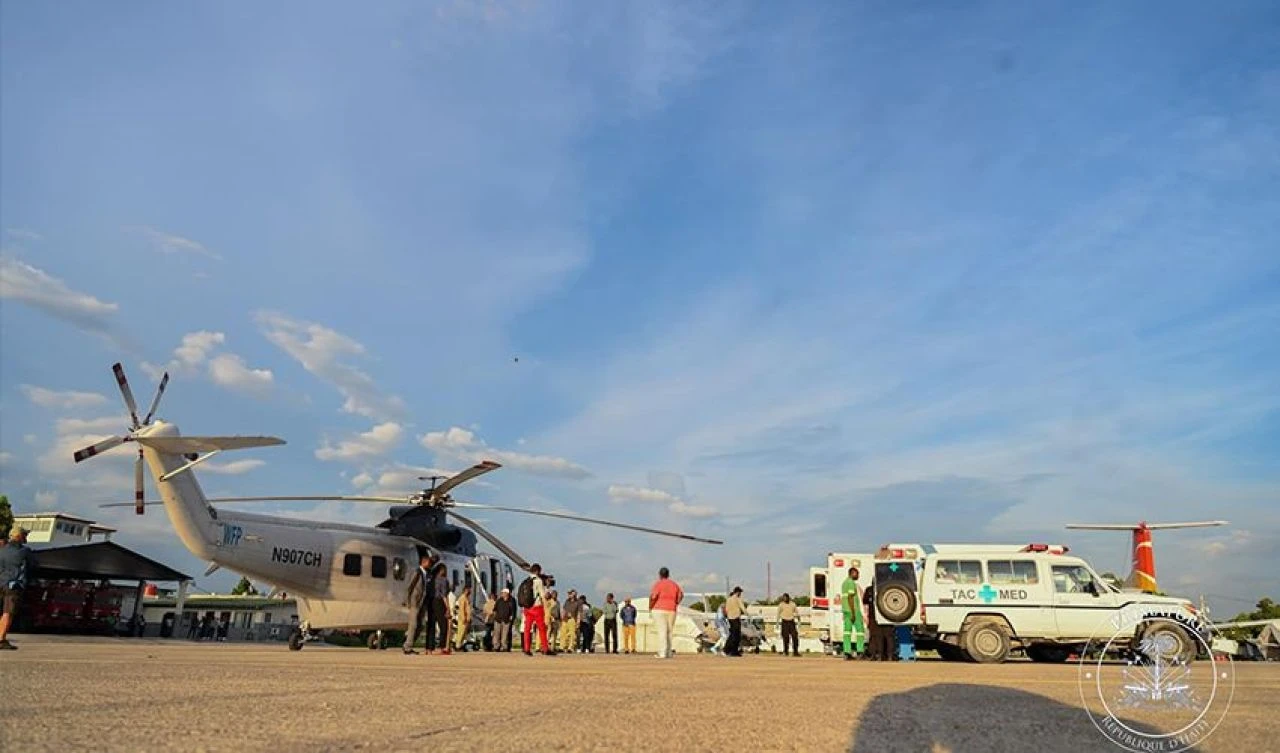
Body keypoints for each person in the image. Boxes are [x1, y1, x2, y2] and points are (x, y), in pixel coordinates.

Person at [0, 528, 34, 650]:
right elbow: (33, 566)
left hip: (1, 583)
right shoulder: (25, 551)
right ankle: (1, 639)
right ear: (19, 536)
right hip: (13, 585)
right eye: (25, 535)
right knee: (7, 612)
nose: (26, 537)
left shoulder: (2, 550)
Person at [648, 566, 683, 659]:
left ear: (660, 575)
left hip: (659, 609)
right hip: (671, 609)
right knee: (669, 631)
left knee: (662, 631)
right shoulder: (674, 584)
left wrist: (650, 607)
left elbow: (653, 597)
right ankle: (668, 652)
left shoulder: (658, 584)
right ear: (668, 574)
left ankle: (662, 652)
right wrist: (676, 602)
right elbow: (681, 595)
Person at [402, 554, 433, 654]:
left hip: (422, 602)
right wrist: (407, 601)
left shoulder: (426, 573)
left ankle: (408, 644)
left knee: (420, 625)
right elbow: (410, 586)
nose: (430, 564)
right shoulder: (417, 572)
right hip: (415, 601)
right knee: (413, 624)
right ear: (424, 562)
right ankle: (407, 646)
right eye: (429, 562)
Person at [519, 563, 551, 655]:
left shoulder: (526, 581)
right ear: (538, 571)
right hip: (537, 607)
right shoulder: (538, 581)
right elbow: (543, 595)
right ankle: (545, 648)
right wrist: (547, 587)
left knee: (527, 628)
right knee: (541, 628)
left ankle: (526, 648)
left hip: (527, 608)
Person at [863, 583, 897, 661]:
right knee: (889, 636)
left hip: (874, 616)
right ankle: (890, 655)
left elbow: (865, 602)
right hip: (887, 614)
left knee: (877, 636)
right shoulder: (889, 587)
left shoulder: (869, 590)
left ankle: (878, 655)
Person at [842, 566, 865, 660]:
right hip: (853, 610)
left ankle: (847, 652)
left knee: (847, 632)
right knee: (860, 632)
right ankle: (860, 651)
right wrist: (853, 612)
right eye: (857, 573)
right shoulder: (851, 583)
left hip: (845, 610)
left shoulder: (844, 583)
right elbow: (850, 598)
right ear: (852, 573)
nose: (858, 576)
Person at [430, 563, 452, 655]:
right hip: (439, 602)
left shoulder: (431, 579)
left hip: (431, 602)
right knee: (443, 625)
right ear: (442, 570)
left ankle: (430, 648)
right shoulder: (443, 580)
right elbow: (444, 595)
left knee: (431, 625)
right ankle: (442, 647)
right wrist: (447, 607)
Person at [724, 586, 747, 657]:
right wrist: (747, 614)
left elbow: (726, 609)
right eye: (740, 592)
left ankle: (729, 650)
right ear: (738, 592)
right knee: (736, 636)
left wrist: (728, 616)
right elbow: (742, 607)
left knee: (732, 635)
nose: (740, 594)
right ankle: (733, 651)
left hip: (730, 619)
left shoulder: (728, 599)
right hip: (736, 618)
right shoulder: (738, 599)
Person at [493, 587, 516, 652]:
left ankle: (504, 647)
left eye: (504, 593)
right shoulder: (499, 600)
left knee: (505, 634)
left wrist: (512, 617)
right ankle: (496, 646)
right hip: (498, 620)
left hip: (506, 620)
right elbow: (495, 609)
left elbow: (513, 610)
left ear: (507, 593)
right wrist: (495, 617)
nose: (502, 594)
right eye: (502, 593)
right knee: (496, 634)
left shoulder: (512, 600)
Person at [778, 592, 800, 657]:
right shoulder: (781, 605)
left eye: (786, 598)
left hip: (791, 622)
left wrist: (799, 621)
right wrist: (777, 623)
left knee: (795, 636)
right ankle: (786, 651)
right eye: (783, 598)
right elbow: (778, 613)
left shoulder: (793, 604)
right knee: (785, 637)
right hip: (784, 622)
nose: (785, 599)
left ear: (788, 598)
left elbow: (797, 613)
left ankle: (795, 652)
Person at [453, 584, 473, 651]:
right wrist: (464, 617)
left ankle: (460, 644)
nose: (470, 591)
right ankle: (458, 645)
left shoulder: (466, 598)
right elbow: (461, 609)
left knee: (464, 632)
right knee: (461, 632)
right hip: (463, 618)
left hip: (466, 618)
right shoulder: (462, 598)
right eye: (469, 590)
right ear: (466, 590)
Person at [559, 589, 579, 654]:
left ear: (574, 594)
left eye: (570, 593)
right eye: (569, 593)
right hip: (565, 619)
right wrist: (562, 616)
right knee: (563, 633)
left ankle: (571, 647)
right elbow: (563, 609)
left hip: (572, 619)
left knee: (572, 634)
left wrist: (578, 621)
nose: (569, 595)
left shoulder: (577, 602)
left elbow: (579, 612)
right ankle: (562, 647)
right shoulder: (566, 601)